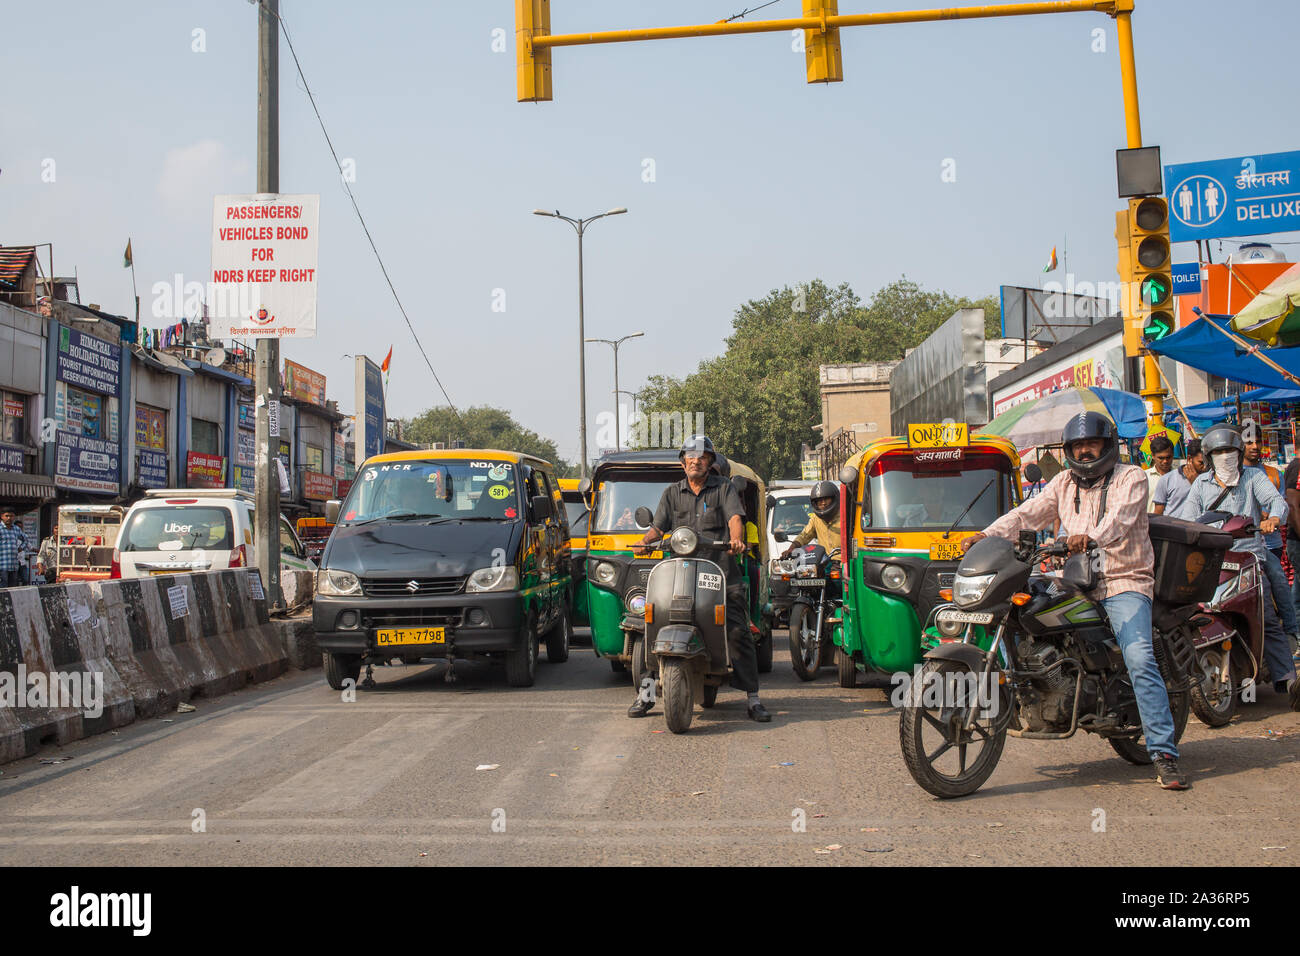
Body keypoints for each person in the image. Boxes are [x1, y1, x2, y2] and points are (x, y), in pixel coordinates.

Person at [962, 412, 1189, 790]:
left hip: (1123, 579)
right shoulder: (1063, 482)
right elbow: (1027, 514)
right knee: (1021, 608)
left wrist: (1088, 537)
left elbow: (1121, 520)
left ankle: (1164, 754)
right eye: (1076, 445)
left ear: (1107, 445)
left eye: (1091, 443)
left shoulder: (1130, 477)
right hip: (1074, 578)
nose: (1084, 450)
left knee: (1138, 657)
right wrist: (986, 534)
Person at [628, 435, 769, 722]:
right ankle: (645, 695)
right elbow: (658, 527)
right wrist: (645, 541)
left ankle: (753, 698)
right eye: (690, 457)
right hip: (680, 576)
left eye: (702, 456)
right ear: (683, 463)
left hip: (720, 575)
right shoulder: (672, 493)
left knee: (738, 630)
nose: (695, 461)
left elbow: (734, 519)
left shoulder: (724, 489)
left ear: (709, 462)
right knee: (649, 627)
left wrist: (736, 540)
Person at [1175, 425, 1297, 697]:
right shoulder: (1200, 485)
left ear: (1239, 453)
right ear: (1208, 457)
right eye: (1218, 452)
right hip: (1212, 561)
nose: (1225, 457)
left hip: (1251, 555)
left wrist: (1274, 518)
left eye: (1230, 451)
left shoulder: (1253, 477)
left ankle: (1289, 669)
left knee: (1271, 595)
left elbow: (1277, 502)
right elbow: (1187, 520)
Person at [1240, 425, 1299, 646]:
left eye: (1258, 441)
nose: (1255, 446)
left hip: (1269, 544)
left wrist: (1271, 516)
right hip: (1238, 546)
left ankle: (1292, 633)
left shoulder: (1273, 474)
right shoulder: (1230, 476)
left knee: (1279, 583)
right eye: (1249, 442)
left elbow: (1282, 505)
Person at [1152, 438, 1205, 516]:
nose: (1205, 466)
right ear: (1189, 459)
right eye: (1201, 463)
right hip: (1173, 527)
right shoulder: (1166, 480)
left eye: (1208, 461)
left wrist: (1195, 483)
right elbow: (1158, 514)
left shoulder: (1211, 479)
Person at [0, 507, 30, 588]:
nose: (9, 518)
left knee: (12, 589)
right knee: (3, 589)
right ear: (1, 516)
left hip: (14, 565)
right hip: (2, 565)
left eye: (11, 516)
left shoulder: (16, 529)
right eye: (6, 516)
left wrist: (21, 548)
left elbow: (26, 540)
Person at [1145, 435, 1175, 512]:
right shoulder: (1144, 477)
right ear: (1153, 456)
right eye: (1161, 458)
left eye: (1168, 457)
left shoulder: (1180, 477)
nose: (1165, 461)